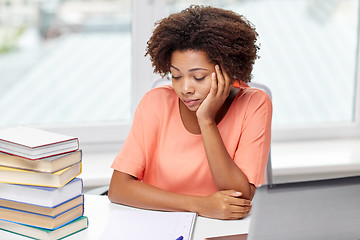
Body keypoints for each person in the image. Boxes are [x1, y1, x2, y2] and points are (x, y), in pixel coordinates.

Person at [108, 5, 272, 220]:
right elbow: (118, 189)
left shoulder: (254, 103)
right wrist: (200, 205)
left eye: (199, 77)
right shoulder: (155, 102)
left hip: (221, 229)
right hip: (158, 223)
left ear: (228, 70)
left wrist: (206, 120)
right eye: (176, 76)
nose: (185, 88)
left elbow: (239, 197)